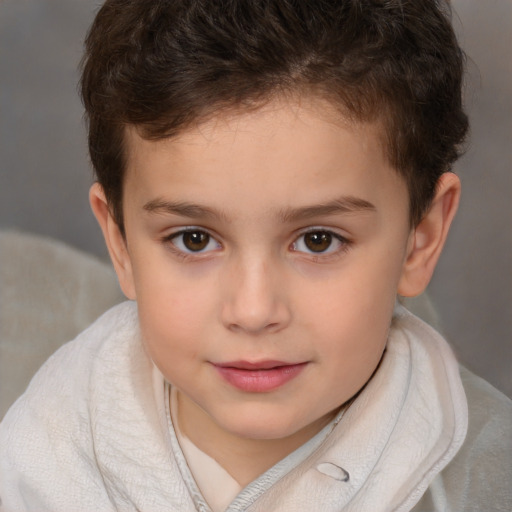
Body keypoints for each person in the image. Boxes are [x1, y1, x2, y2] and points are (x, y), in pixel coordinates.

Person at [1, 0, 511, 510]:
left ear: (420, 237)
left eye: (318, 240)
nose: (252, 310)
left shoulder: (486, 478)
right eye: (194, 239)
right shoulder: (43, 453)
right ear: (122, 244)